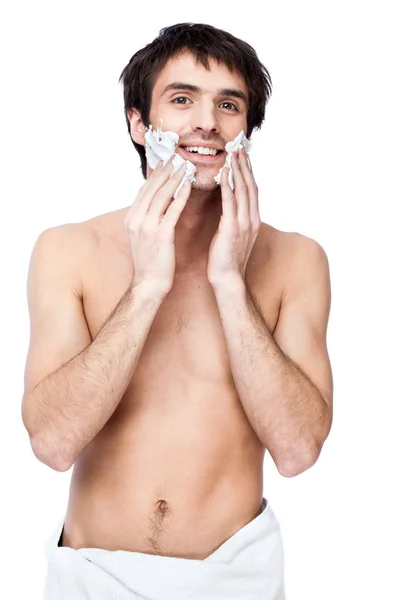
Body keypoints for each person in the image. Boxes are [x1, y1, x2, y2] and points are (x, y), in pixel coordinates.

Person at [22, 22, 333, 600]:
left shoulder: (296, 261)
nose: (207, 123)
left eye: (229, 104)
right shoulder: (68, 251)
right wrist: (145, 289)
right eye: (182, 99)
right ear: (139, 123)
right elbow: (52, 443)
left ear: (247, 129)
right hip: (93, 579)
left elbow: (297, 450)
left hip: (237, 580)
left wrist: (230, 283)